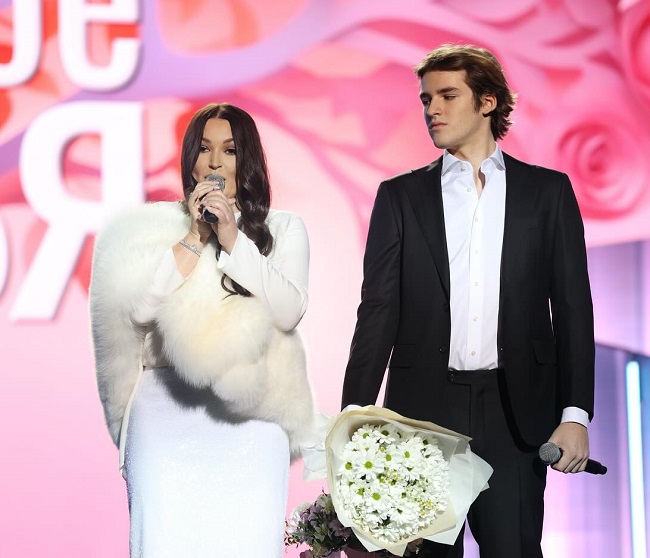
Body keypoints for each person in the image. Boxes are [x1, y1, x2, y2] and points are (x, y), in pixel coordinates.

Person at [341, 44, 594, 558]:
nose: (432, 109)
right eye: (426, 99)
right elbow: (378, 312)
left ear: (487, 102)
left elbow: (573, 310)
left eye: (447, 95)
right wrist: (353, 417)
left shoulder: (547, 193)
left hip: (516, 413)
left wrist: (575, 414)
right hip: (421, 416)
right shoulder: (400, 196)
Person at [90, 103, 314, 557]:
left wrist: (232, 237)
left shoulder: (284, 228)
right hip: (165, 411)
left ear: (246, 159)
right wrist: (195, 237)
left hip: (253, 420)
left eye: (229, 150)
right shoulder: (149, 227)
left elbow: (288, 312)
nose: (215, 163)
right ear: (190, 160)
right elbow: (140, 310)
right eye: (204, 149)